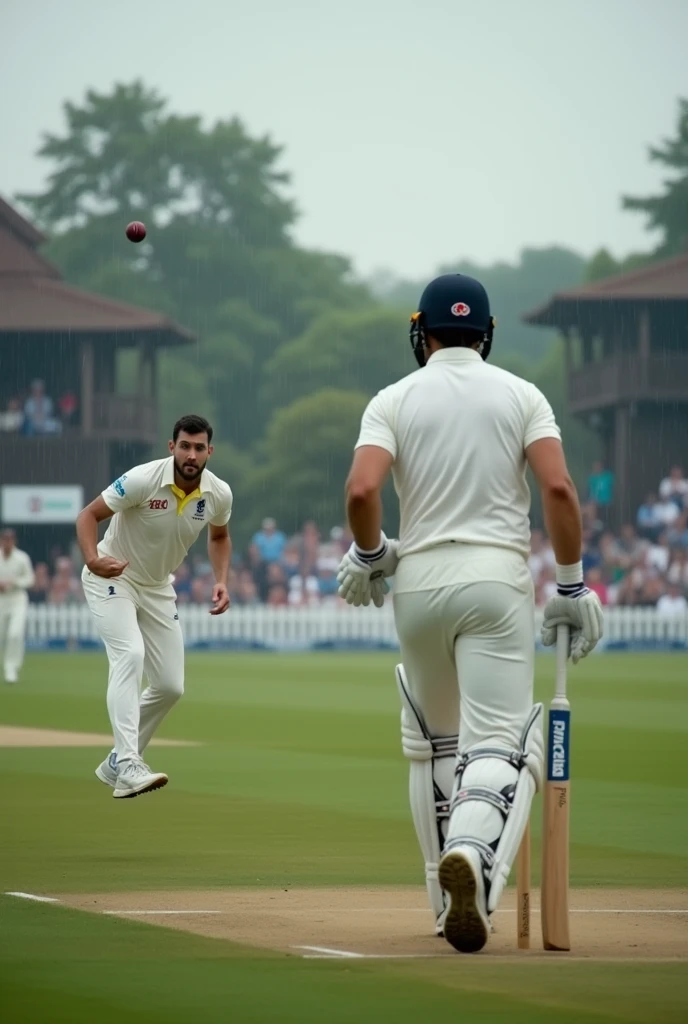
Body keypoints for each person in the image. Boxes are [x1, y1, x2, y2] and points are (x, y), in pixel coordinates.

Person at [336, 274, 603, 954]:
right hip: (494, 579)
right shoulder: (521, 394)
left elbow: (363, 488)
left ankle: (444, 898)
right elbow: (559, 490)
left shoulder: (392, 399)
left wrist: (371, 554)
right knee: (500, 745)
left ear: (420, 332)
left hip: (419, 582)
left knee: (434, 743)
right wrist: (570, 586)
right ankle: (474, 860)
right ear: (486, 333)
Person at [76, 414, 233, 799]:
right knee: (129, 655)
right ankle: (129, 761)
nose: (191, 454)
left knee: (169, 686)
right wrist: (94, 559)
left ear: (209, 452)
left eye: (199, 448)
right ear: (172, 447)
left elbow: (220, 536)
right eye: (185, 446)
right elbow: (88, 515)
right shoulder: (143, 479)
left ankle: (116, 760)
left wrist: (221, 580)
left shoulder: (218, 493)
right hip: (113, 576)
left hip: (158, 586)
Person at [0, 528, 35, 684]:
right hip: (1, 600)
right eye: (4, 539)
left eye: (10, 539)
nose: (7, 542)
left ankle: (11, 668)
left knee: (15, 634)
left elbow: (30, 579)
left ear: (14, 541)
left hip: (17, 599)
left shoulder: (22, 558)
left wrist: (13, 582)